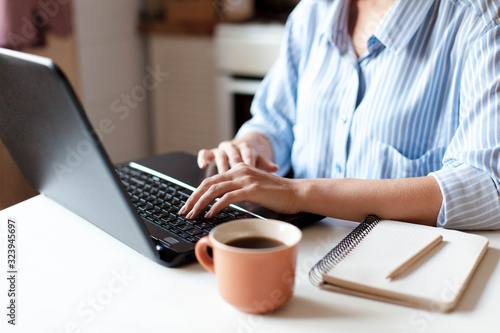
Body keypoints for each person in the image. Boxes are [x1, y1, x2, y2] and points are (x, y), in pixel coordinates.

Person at [179, 0, 500, 230]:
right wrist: (251, 146)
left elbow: (487, 185)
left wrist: (297, 194)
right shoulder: (310, 13)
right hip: (299, 250)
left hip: (401, 273)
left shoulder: (480, 20)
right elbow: (274, 122)